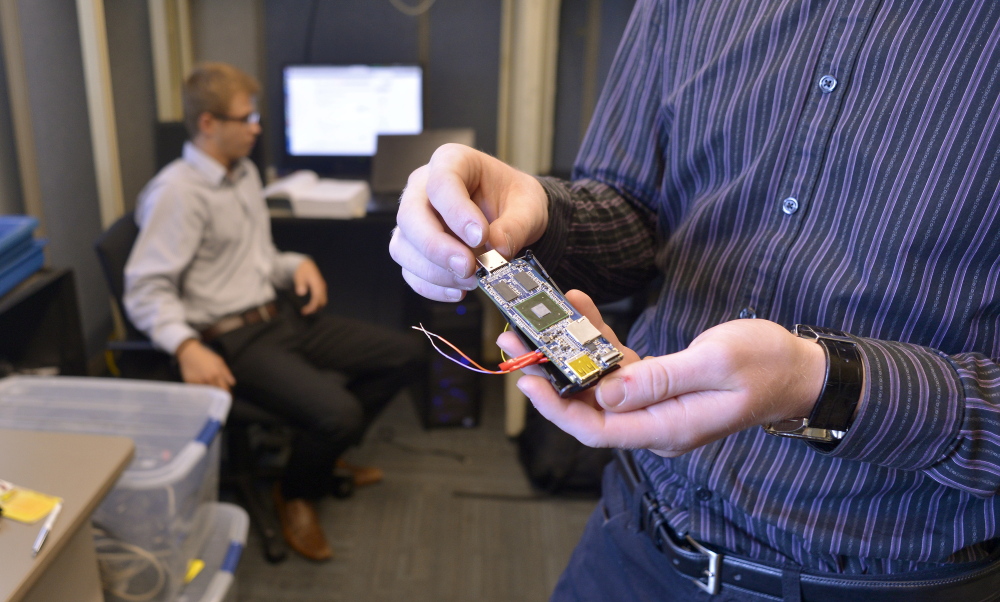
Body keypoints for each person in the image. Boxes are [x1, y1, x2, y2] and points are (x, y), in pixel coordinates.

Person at [391, 1, 1000, 599]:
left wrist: (827, 386)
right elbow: (636, 207)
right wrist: (544, 216)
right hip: (635, 531)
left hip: (881, 578)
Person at [124, 62, 423, 562]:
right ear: (208, 124)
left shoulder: (240, 174)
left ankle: (326, 451)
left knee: (406, 354)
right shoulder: (177, 192)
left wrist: (295, 263)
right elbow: (144, 287)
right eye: (246, 118)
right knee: (339, 412)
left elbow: (253, 259)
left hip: (278, 315)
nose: (257, 127)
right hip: (232, 340)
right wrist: (185, 345)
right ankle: (297, 490)